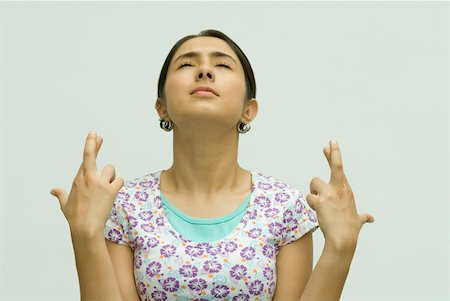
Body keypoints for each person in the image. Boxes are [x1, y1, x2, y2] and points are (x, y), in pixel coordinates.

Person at [50, 29, 375, 301]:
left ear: (249, 109)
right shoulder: (126, 206)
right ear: (161, 107)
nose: (204, 71)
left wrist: (340, 248)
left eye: (222, 65)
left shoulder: (284, 207)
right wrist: (85, 233)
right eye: (187, 64)